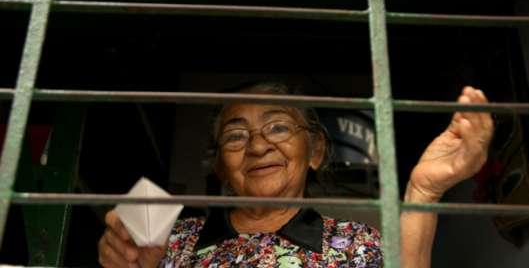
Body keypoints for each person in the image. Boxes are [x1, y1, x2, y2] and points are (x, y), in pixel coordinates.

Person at [97, 82, 494, 268]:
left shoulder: (357, 245)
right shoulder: (172, 243)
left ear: (315, 152)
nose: (256, 146)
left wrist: (423, 190)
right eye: (236, 136)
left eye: (278, 128)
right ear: (220, 165)